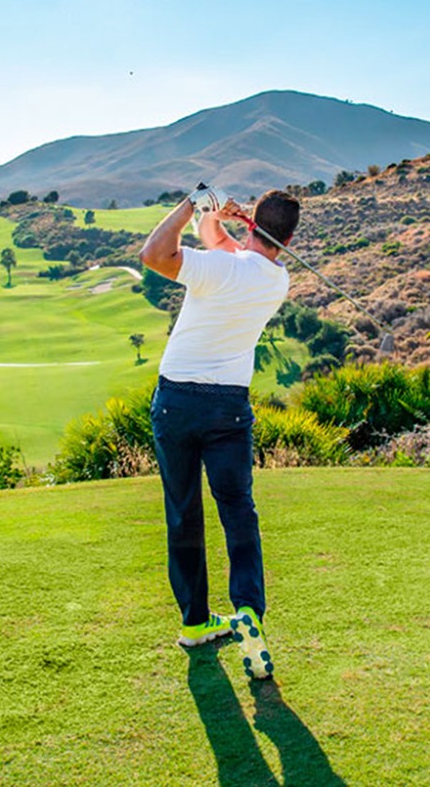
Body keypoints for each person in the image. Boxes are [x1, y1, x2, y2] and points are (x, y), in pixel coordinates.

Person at [139, 186, 301, 679]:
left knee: (183, 512)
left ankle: (194, 622)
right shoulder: (277, 280)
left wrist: (193, 204)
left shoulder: (221, 269)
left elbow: (154, 255)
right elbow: (222, 245)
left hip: (178, 403)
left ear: (254, 224)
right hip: (229, 409)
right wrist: (217, 216)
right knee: (238, 510)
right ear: (289, 237)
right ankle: (247, 609)